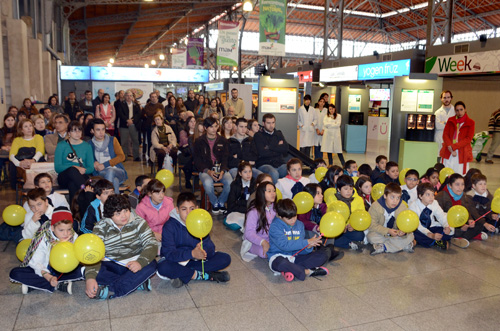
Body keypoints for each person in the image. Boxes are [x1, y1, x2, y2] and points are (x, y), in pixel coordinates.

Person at [84, 194, 157, 299]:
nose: (124, 216)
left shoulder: (139, 222)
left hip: (135, 262)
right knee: (88, 271)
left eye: (126, 210)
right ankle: (137, 283)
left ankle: (111, 290)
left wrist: (140, 262)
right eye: (118, 213)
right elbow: (94, 252)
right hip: (111, 263)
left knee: (152, 264)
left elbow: (151, 243)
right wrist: (90, 278)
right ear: (109, 215)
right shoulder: (100, 227)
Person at [156, 192, 231, 287]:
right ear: (177, 210)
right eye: (184, 209)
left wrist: (203, 252)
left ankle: (184, 274)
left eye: (191, 209)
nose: (188, 213)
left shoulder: (200, 222)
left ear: (196, 208)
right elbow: (169, 253)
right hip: (177, 260)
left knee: (225, 258)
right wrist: (191, 253)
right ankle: (203, 275)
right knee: (163, 267)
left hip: (195, 261)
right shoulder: (169, 226)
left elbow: (210, 248)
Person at [9, 209, 83, 295]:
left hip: (65, 269)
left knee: (84, 270)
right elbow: (36, 261)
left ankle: (37, 285)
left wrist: (67, 246)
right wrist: (49, 277)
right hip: (45, 268)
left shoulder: (74, 236)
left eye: (69, 229)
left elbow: (78, 258)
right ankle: (58, 285)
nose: (66, 234)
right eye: (61, 230)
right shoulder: (43, 237)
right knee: (15, 273)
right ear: (52, 227)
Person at [267, 199, 329, 282]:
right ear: (281, 217)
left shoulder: (300, 225)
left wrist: (308, 247)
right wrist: (306, 242)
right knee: (281, 263)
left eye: (295, 216)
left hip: (295, 258)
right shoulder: (275, 226)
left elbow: (300, 249)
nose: (293, 220)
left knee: (323, 255)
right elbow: (285, 246)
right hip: (278, 256)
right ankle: (307, 271)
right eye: (289, 219)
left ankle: (293, 269)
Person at [193, 117, 232, 214]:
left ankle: (221, 202)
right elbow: (197, 160)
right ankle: (214, 202)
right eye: (211, 127)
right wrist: (208, 171)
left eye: (216, 126)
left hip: (220, 169)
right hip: (206, 170)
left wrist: (223, 170)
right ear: (205, 128)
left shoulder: (222, 140)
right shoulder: (199, 141)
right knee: (207, 183)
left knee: (230, 182)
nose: (214, 129)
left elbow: (225, 158)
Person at [436, 174, 485, 247]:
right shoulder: (442, 196)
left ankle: (461, 237)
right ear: (450, 185)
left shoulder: (463, 195)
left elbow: (466, 209)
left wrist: (470, 219)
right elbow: (438, 217)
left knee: (479, 223)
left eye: (462, 184)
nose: (460, 188)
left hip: (460, 222)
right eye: (457, 185)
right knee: (447, 230)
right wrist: (459, 226)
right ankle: (462, 237)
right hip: (446, 223)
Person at [367, 183, 415, 255]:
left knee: (410, 235)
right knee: (370, 236)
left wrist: (403, 232)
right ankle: (403, 245)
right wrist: (388, 231)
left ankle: (383, 247)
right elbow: (372, 225)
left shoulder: (402, 207)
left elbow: (405, 225)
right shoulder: (375, 206)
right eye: (392, 197)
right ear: (385, 196)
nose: (395, 201)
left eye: (398, 198)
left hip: (396, 234)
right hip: (382, 233)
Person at [55, 120, 94, 203]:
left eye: (79, 130)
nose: (77, 133)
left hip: (81, 176)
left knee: (72, 185)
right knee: (72, 170)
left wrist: (83, 170)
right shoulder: (61, 145)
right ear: (68, 133)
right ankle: (87, 193)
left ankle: (75, 213)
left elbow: (91, 168)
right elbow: (58, 168)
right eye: (74, 130)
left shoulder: (86, 146)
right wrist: (75, 167)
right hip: (64, 176)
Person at [410, 183, 454, 250]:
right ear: (420, 196)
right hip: (419, 229)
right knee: (413, 233)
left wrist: (446, 226)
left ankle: (424, 241)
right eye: (428, 195)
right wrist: (430, 234)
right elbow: (417, 225)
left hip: (431, 227)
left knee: (451, 230)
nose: (431, 197)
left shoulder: (434, 203)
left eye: (433, 194)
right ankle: (436, 242)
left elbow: (441, 216)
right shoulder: (413, 206)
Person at [88, 119, 128, 194]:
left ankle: (106, 198)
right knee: (114, 181)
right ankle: (114, 202)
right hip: (100, 173)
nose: (101, 132)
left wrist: (105, 165)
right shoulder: (89, 144)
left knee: (110, 171)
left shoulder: (112, 140)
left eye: (103, 129)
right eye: (98, 130)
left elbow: (122, 156)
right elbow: (87, 159)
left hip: (117, 171)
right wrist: (93, 162)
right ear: (92, 131)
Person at [240, 181, 276, 261]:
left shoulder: (276, 208)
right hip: (255, 242)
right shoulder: (254, 211)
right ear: (261, 193)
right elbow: (249, 233)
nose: (273, 193)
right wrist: (263, 242)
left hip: (272, 240)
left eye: (274, 191)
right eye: (269, 191)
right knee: (265, 253)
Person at [440, 101, 475, 175]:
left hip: (461, 152)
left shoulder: (471, 122)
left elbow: (468, 139)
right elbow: (445, 135)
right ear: (455, 111)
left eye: (461, 109)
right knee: (446, 173)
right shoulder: (450, 120)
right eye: (457, 110)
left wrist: (453, 147)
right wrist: (450, 146)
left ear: (465, 109)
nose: (459, 112)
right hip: (449, 151)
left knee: (459, 175)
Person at [9, 119, 46, 189]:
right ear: (21, 130)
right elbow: (11, 155)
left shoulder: (38, 137)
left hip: (36, 162)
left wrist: (33, 160)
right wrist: (19, 163)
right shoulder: (17, 140)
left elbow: (40, 151)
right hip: (21, 164)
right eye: (25, 126)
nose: (29, 128)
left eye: (30, 126)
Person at [332, 175, 366, 251]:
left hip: (351, 229)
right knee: (333, 238)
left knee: (360, 235)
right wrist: (341, 227)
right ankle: (350, 243)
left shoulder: (358, 199)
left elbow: (361, 216)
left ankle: (347, 242)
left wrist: (353, 225)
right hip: (338, 229)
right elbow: (331, 217)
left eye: (351, 189)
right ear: (339, 189)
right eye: (345, 189)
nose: (349, 191)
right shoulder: (333, 200)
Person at [254, 113, 288, 183]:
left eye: (273, 123)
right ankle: (273, 192)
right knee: (274, 173)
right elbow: (262, 153)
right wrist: (278, 147)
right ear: (263, 123)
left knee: (291, 168)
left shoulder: (278, 133)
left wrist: (269, 147)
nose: (271, 125)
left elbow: (285, 149)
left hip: (279, 163)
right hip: (264, 163)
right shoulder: (258, 135)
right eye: (268, 123)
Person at [224, 162, 256, 231]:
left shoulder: (255, 183)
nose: (248, 174)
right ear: (240, 173)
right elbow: (231, 205)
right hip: (238, 211)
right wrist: (246, 208)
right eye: (245, 172)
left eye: (250, 171)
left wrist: (239, 202)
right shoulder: (235, 185)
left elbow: (255, 202)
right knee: (236, 224)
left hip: (251, 211)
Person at [116, 91, 141, 161]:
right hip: (124, 125)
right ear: (125, 97)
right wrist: (127, 120)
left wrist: (132, 121)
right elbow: (120, 114)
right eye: (127, 95)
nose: (129, 97)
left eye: (130, 96)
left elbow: (138, 114)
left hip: (134, 125)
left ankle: (136, 156)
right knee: (124, 142)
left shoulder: (136, 105)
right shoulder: (121, 104)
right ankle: (124, 156)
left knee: (135, 141)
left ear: (133, 97)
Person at [141, 92, 165, 159]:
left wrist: (152, 114)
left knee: (159, 141)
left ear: (157, 97)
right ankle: (150, 157)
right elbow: (146, 114)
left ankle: (159, 157)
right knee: (150, 142)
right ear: (150, 98)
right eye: (152, 97)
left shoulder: (161, 105)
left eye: (155, 97)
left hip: (159, 126)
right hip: (149, 126)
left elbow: (162, 115)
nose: (154, 98)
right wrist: (155, 113)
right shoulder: (147, 106)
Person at [434, 90, 455, 157]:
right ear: (441, 99)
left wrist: (444, 123)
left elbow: (457, 125)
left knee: (451, 159)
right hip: (440, 138)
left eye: (448, 97)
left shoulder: (455, 111)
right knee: (440, 158)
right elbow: (438, 126)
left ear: (451, 98)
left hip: (452, 138)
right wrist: (450, 124)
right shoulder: (437, 112)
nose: (446, 99)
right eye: (444, 98)